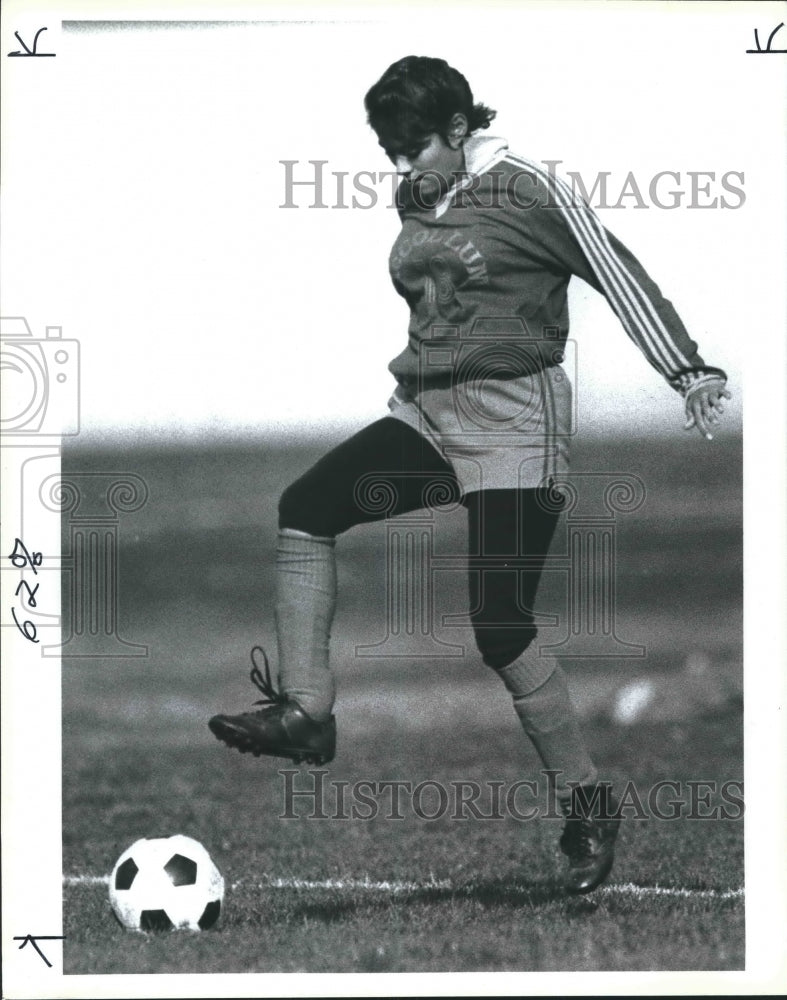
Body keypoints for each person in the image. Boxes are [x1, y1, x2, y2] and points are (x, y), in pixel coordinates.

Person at [209, 55, 731, 894]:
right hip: (427, 417)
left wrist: (688, 371)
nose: (402, 165)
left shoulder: (528, 190)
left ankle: (587, 801)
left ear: (458, 128)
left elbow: (616, 271)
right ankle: (306, 713)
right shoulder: (416, 195)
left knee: (498, 624)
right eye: (390, 151)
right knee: (305, 506)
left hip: (515, 425)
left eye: (415, 146)